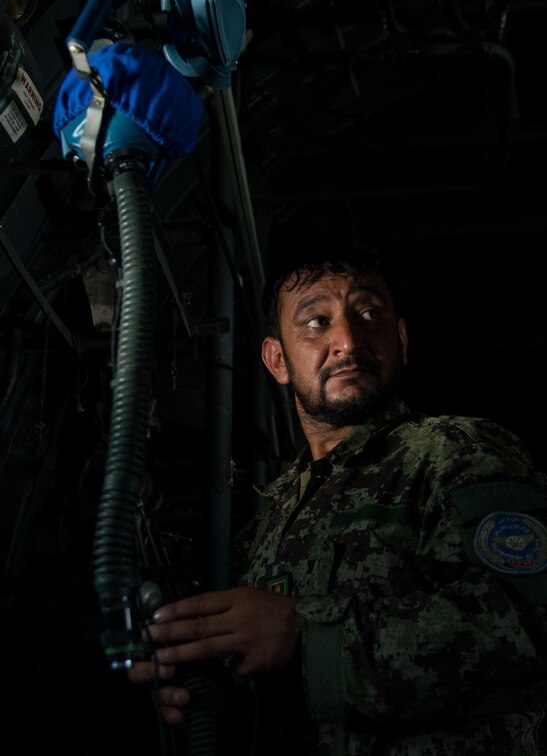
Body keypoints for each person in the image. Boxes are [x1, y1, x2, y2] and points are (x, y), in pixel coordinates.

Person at [128, 241, 547, 754]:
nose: (347, 340)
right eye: (316, 322)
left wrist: (309, 636)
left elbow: (533, 623)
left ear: (400, 339)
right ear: (277, 360)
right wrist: (216, 694)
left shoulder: (451, 452)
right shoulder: (273, 516)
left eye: (368, 314)